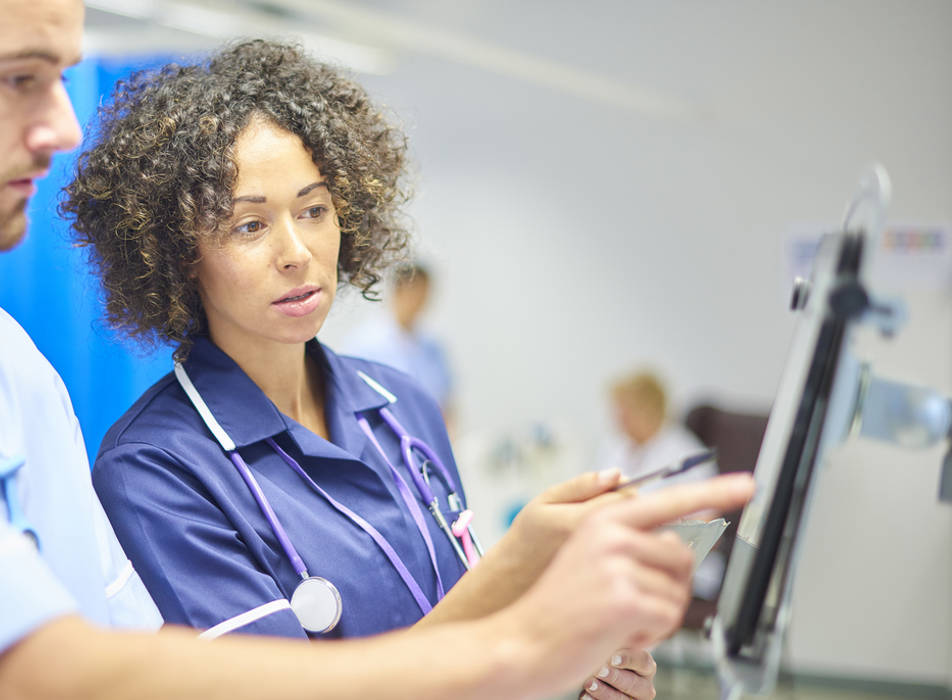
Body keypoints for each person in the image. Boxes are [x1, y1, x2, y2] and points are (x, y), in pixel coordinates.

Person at [0, 3, 754, 699]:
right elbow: (25, 677)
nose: (58, 125)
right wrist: (519, 637)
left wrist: (545, 655)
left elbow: (157, 660)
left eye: (65, 76)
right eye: (18, 77)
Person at [68, 39, 727, 699]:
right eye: (249, 226)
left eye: (313, 210)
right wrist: (517, 563)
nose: (297, 252)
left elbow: (474, 659)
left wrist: (570, 672)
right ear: (180, 256)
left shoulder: (401, 405)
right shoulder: (154, 467)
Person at [343, 262, 457, 423]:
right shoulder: (367, 344)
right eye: (415, 293)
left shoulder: (433, 346)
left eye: (425, 294)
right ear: (398, 291)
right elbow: (354, 398)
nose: (420, 302)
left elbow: (446, 401)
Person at [597, 370, 715, 492]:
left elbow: (705, 507)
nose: (619, 418)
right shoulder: (615, 446)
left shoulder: (688, 457)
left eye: (626, 411)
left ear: (650, 410)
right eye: (618, 410)